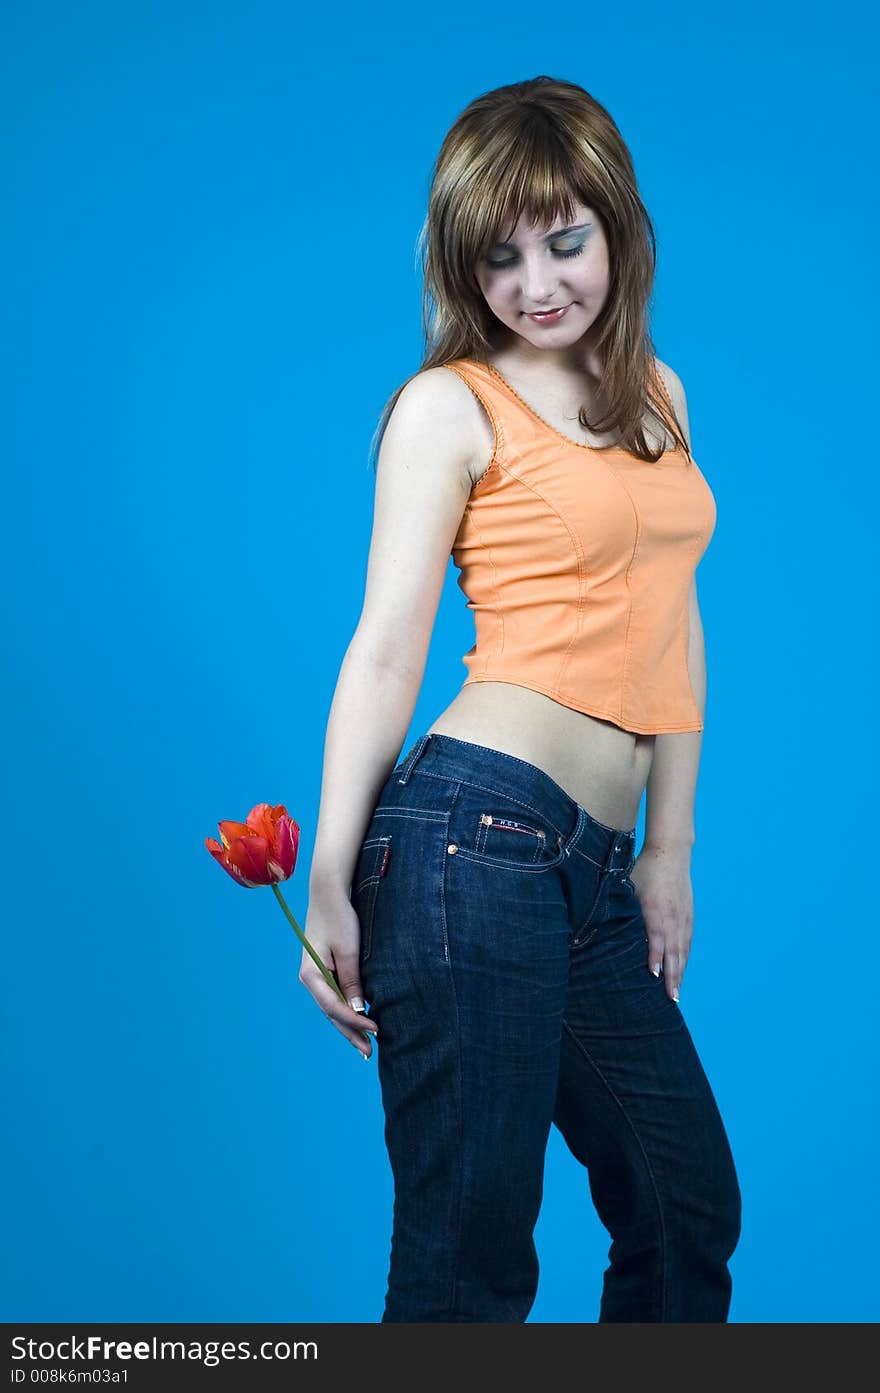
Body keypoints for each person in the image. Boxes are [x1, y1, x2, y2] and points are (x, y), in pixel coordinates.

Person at [302, 74, 742, 1323]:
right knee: (471, 1247)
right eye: (500, 258)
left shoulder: (656, 393)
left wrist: (669, 847)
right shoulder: (450, 406)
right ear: (464, 266)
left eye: (565, 241)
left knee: (683, 1206)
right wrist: (330, 873)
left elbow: (672, 617)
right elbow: (388, 645)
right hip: (466, 843)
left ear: (617, 227)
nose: (539, 284)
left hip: (598, 869)